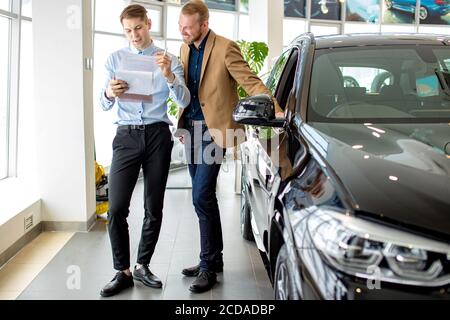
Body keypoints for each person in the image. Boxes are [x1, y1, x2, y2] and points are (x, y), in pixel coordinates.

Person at [176, 0, 283, 293]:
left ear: (204, 24)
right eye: (180, 26)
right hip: (191, 129)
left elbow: (251, 82)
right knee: (203, 199)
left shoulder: (225, 47)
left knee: (201, 194)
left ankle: (209, 266)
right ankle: (211, 259)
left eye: (187, 27)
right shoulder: (184, 49)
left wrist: (276, 108)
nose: (182, 31)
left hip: (216, 131)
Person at [99, 4, 190, 297]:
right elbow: (103, 104)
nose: (134, 35)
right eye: (127, 30)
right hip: (125, 136)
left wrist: (168, 76)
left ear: (148, 23)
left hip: (156, 135)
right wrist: (108, 93)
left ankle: (142, 265)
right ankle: (121, 270)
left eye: (138, 28)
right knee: (116, 208)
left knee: (154, 206)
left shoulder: (168, 59)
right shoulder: (115, 59)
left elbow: (185, 100)